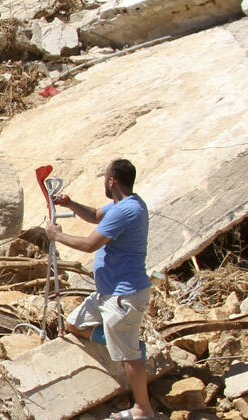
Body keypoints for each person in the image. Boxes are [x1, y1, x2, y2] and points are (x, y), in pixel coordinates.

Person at [48, 158, 153, 420]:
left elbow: (89, 244)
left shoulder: (126, 210)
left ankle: (143, 409)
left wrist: (57, 235)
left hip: (123, 296)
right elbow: (95, 215)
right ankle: (125, 342)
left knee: (129, 356)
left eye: (105, 177)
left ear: (112, 180)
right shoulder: (124, 205)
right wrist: (70, 204)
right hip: (107, 294)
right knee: (75, 324)